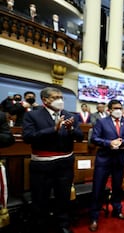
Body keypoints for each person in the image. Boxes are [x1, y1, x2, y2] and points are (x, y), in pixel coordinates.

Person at [22, 87, 84, 233]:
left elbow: (81, 137)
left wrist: (71, 130)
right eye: (55, 97)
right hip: (42, 166)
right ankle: (42, 226)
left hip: (65, 165)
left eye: (61, 97)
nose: (60, 100)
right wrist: (53, 129)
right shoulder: (33, 116)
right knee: (40, 198)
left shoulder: (70, 115)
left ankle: (63, 225)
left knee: (63, 197)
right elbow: (28, 137)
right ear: (44, 100)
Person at [89, 99, 124, 232]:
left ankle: (117, 210)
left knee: (117, 187)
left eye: (120, 107)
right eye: (115, 108)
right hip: (104, 160)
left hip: (119, 159)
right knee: (98, 188)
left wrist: (120, 142)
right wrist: (109, 143)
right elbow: (94, 139)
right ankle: (94, 217)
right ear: (109, 110)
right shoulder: (101, 122)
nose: (118, 110)